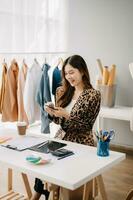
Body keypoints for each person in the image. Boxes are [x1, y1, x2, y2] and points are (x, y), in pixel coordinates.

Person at [31, 55, 101, 200]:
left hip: (81, 142)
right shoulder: (61, 91)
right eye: (66, 73)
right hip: (61, 138)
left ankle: (48, 192)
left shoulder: (94, 95)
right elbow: (58, 121)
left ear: (82, 71)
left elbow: (87, 126)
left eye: (72, 72)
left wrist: (67, 115)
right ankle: (38, 193)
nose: (68, 77)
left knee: (56, 166)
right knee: (42, 158)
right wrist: (51, 113)